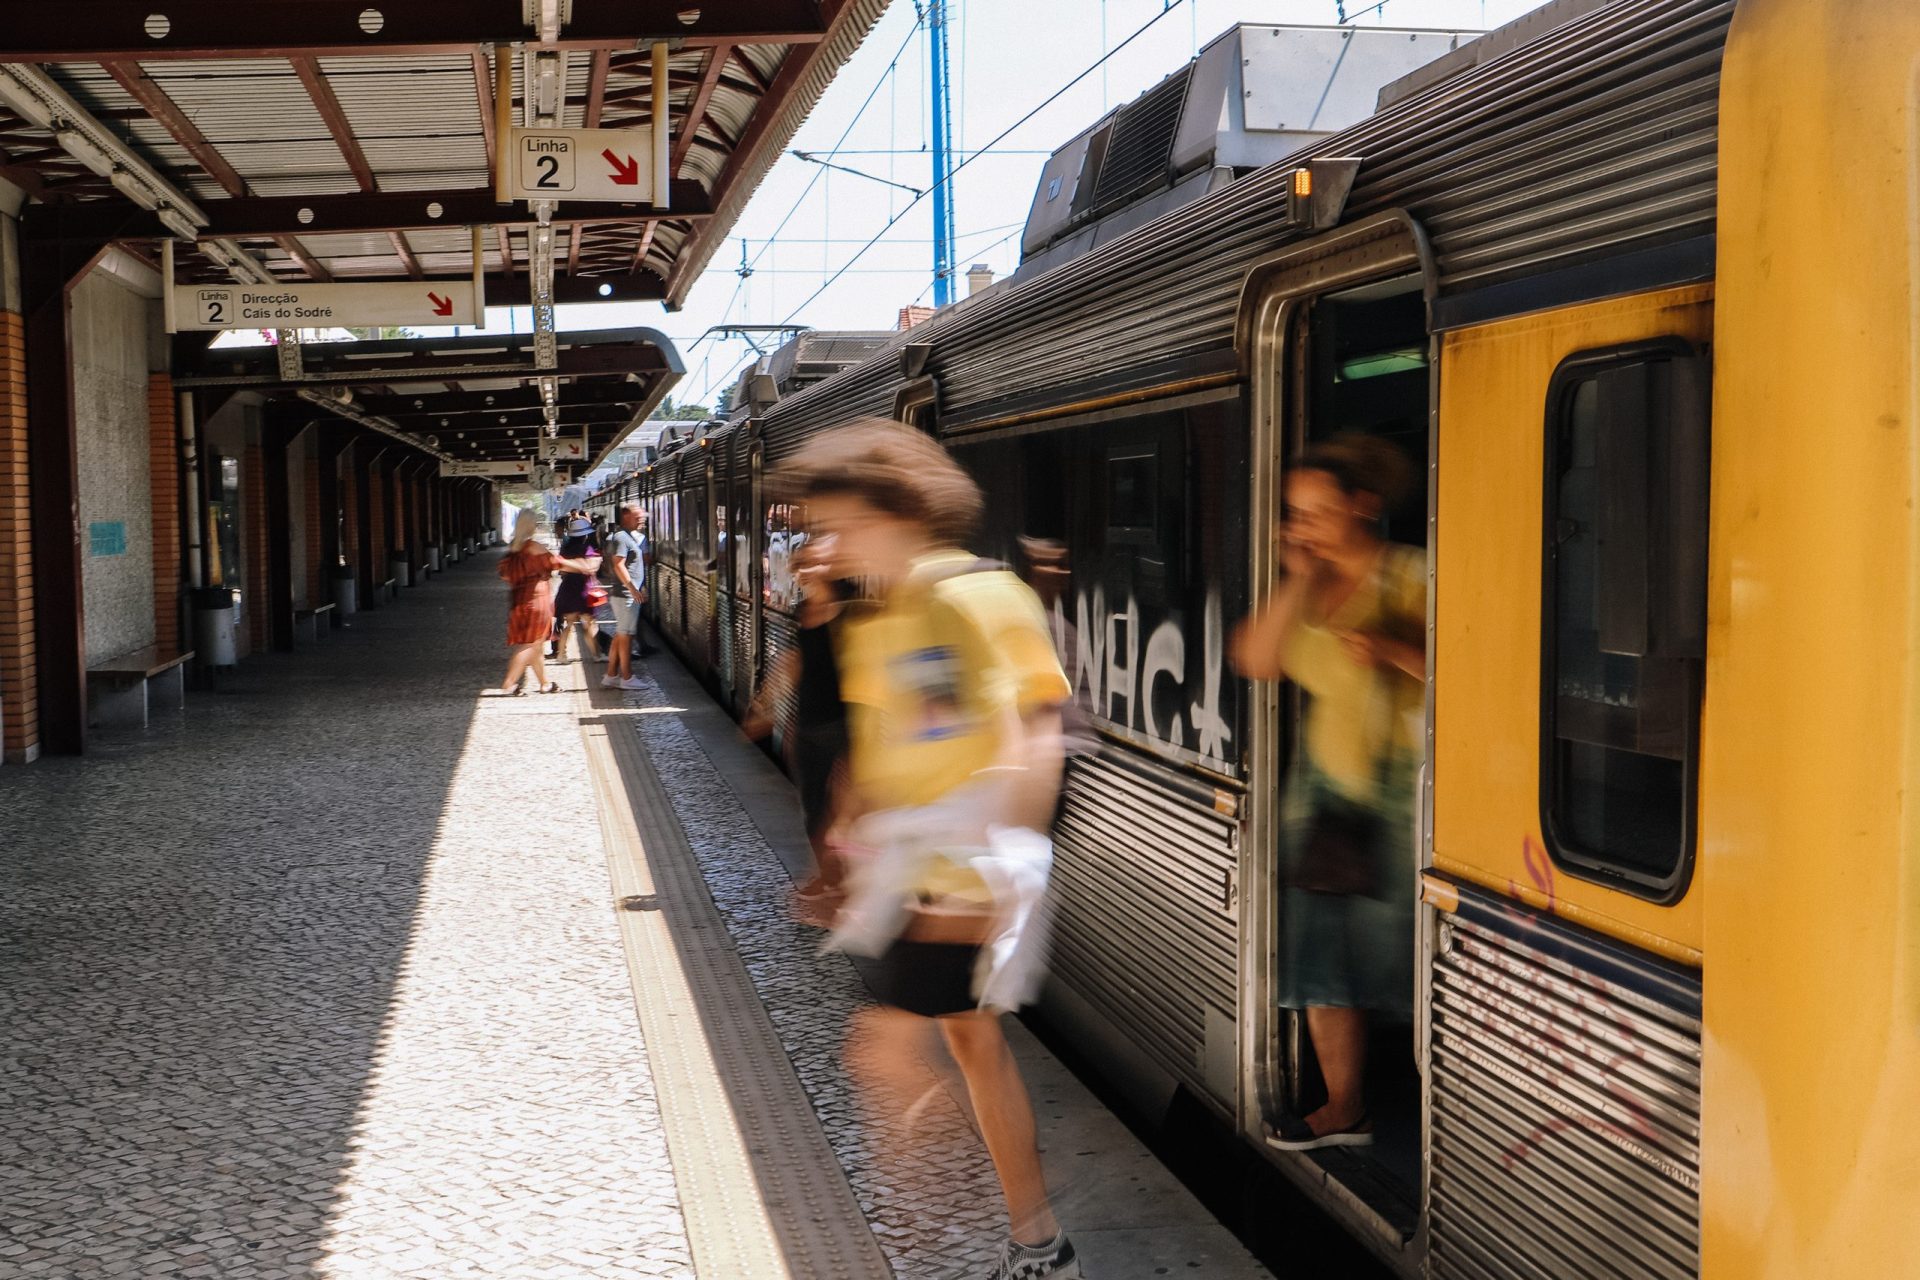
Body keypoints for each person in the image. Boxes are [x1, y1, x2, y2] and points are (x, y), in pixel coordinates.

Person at [781, 421, 1079, 1280]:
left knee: (883, 1051)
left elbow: (1034, 730)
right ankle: (1036, 1242)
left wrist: (994, 875)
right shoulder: (883, 613)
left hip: (966, 869)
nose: (828, 544)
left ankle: (924, 1243)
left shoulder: (973, 597)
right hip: (915, 865)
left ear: (903, 513)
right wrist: (839, 853)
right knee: (970, 1047)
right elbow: (882, 748)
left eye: (842, 524)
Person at [1228, 434, 1426, 1151]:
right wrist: (1295, 580)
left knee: (1401, 952)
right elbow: (1254, 659)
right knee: (1323, 956)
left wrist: (1393, 650)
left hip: (1403, 791)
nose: (1302, 526)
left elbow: (1475, 664)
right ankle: (1346, 1106)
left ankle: (1440, 1110)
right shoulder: (1307, 591)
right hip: (1325, 791)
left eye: (1316, 512)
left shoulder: (1410, 573)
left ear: (1362, 506)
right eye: (1294, 514)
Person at [742, 533, 857, 919]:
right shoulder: (804, 608)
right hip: (809, 720)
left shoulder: (854, 611)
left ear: (835, 565)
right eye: (800, 563)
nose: (802, 569)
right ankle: (828, 878)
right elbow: (794, 662)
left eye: (812, 562)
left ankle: (848, 886)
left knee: (843, 811)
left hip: (846, 725)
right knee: (813, 808)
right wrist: (766, 707)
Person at [495, 509, 589, 695]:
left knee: (536, 644)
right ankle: (509, 683)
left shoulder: (514, 548)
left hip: (520, 600)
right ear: (532, 525)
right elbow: (557, 563)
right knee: (530, 644)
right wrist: (581, 566)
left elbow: (504, 574)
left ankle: (544, 683)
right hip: (537, 602)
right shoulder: (533, 547)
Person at [602, 502, 647, 691]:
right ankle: (627, 677)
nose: (642, 519)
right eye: (638, 516)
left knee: (621, 635)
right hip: (625, 594)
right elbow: (618, 564)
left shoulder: (625, 537)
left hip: (624, 593)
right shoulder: (622, 538)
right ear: (626, 516)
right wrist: (633, 588)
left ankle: (611, 675)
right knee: (627, 636)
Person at [551, 514, 600, 665]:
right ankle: (596, 655)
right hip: (583, 589)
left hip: (568, 588)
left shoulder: (565, 549)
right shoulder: (588, 548)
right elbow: (592, 568)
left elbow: (562, 570)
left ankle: (561, 655)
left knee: (569, 624)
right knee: (589, 623)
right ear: (585, 535)